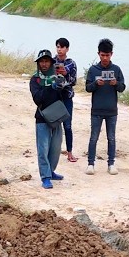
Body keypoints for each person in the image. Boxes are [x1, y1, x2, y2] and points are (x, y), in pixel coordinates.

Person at [30, 49, 73, 189]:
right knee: (43, 149)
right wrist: (51, 87)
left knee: (55, 149)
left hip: (57, 117)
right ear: (38, 63)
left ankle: (51, 171)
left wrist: (63, 83)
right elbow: (38, 99)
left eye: (46, 61)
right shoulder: (35, 79)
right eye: (41, 61)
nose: (44, 64)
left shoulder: (57, 77)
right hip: (42, 118)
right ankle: (45, 177)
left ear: (51, 62)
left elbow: (68, 94)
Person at [83, 38, 126, 176]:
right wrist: (96, 84)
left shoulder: (116, 69)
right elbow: (88, 88)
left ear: (111, 54)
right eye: (103, 55)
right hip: (96, 110)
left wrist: (116, 83)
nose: (105, 58)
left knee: (111, 138)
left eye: (107, 55)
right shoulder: (93, 70)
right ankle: (90, 164)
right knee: (93, 137)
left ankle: (111, 164)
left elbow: (122, 88)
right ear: (98, 54)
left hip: (112, 111)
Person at [54, 37, 79, 162]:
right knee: (54, 125)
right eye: (58, 47)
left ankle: (70, 152)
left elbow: (74, 81)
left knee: (67, 126)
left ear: (67, 49)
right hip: (54, 97)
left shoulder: (71, 63)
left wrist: (65, 74)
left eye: (62, 47)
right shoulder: (51, 61)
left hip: (67, 97)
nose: (59, 49)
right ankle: (53, 150)